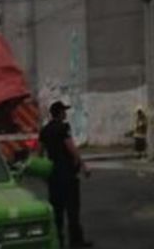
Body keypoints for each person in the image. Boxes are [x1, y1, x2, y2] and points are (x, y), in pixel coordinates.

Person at [39, 101, 92, 248]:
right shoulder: (63, 128)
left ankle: (59, 241)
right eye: (64, 111)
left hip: (53, 175)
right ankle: (76, 241)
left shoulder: (44, 130)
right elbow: (71, 148)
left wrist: (43, 172)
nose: (66, 113)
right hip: (67, 174)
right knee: (72, 210)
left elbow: (39, 152)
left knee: (57, 211)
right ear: (60, 113)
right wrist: (83, 165)